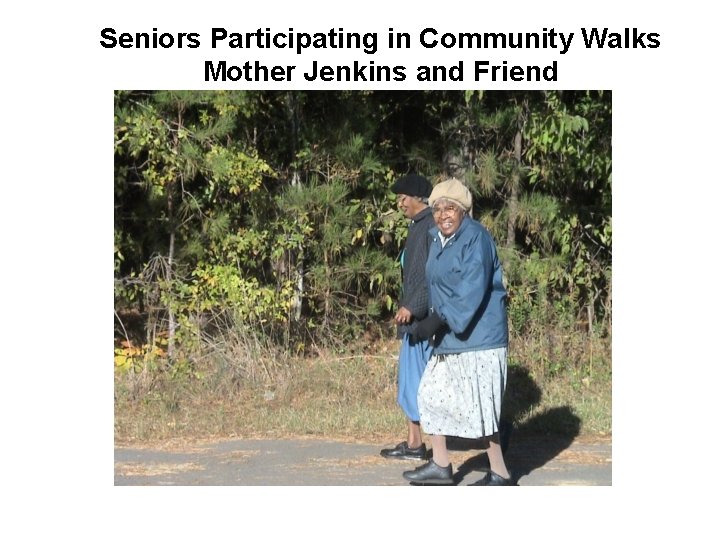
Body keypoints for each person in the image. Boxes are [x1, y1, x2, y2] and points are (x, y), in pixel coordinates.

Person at [402, 178, 514, 486]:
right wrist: (421, 315)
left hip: (480, 339)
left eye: (450, 208)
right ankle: (440, 465)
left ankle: (501, 473)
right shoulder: (436, 239)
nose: (443, 215)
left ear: (463, 210)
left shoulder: (476, 238)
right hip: (449, 337)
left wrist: (436, 321)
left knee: (481, 409)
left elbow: (470, 291)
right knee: (430, 395)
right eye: (437, 208)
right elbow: (432, 283)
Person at [379, 174, 435, 461]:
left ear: (417, 198)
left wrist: (413, 306)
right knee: (408, 380)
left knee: (415, 381)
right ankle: (414, 442)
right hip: (413, 320)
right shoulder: (418, 226)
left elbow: (431, 274)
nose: (400, 204)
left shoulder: (429, 227)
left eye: (403, 198)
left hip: (419, 321)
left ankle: (422, 447)